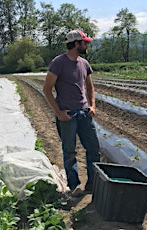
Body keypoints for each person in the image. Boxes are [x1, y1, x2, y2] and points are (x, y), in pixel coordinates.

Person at [43, 29, 100, 196]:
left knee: (94, 149)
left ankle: (93, 184)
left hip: (84, 113)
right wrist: (59, 113)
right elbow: (47, 90)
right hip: (68, 115)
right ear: (76, 44)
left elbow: (90, 87)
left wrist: (92, 106)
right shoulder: (58, 63)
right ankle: (74, 186)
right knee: (69, 151)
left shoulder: (84, 63)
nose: (87, 45)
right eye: (84, 42)